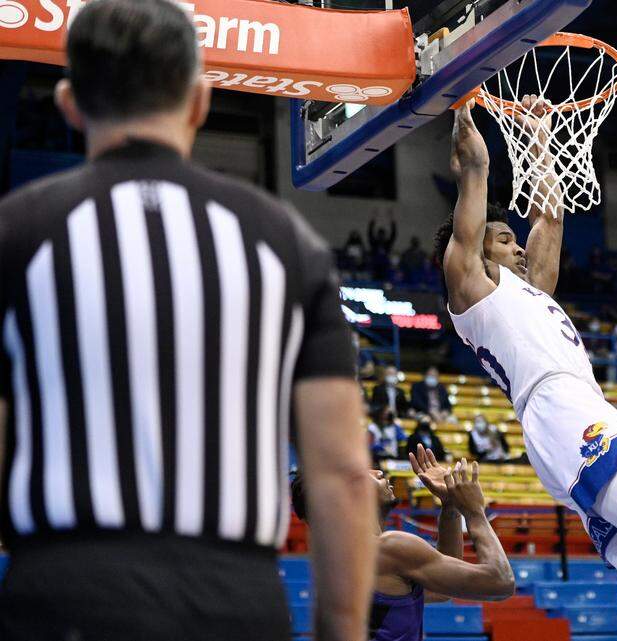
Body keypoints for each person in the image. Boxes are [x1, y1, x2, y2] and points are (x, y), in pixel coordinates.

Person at [0, 2, 376, 639]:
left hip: (59, 597)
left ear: (69, 104)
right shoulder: (284, 242)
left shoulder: (18, 231)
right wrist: (341, 629)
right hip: (233, 602)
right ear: (199, 102)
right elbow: (340, 471)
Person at [434, 99, 617, 641]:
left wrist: (537, 140)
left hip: (577, 406)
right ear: (480, 253)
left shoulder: (531, 292)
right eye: (504, 240)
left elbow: (550, 218)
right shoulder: (473, 290)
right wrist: (475, 159)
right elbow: (471, 210)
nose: (519, 248)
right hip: (555, 405)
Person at [293, 449, 515, 641]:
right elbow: (500, 582)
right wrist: (475, 511)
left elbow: (441, 591)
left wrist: (450, 507)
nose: (379, 472)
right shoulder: (388, 548)